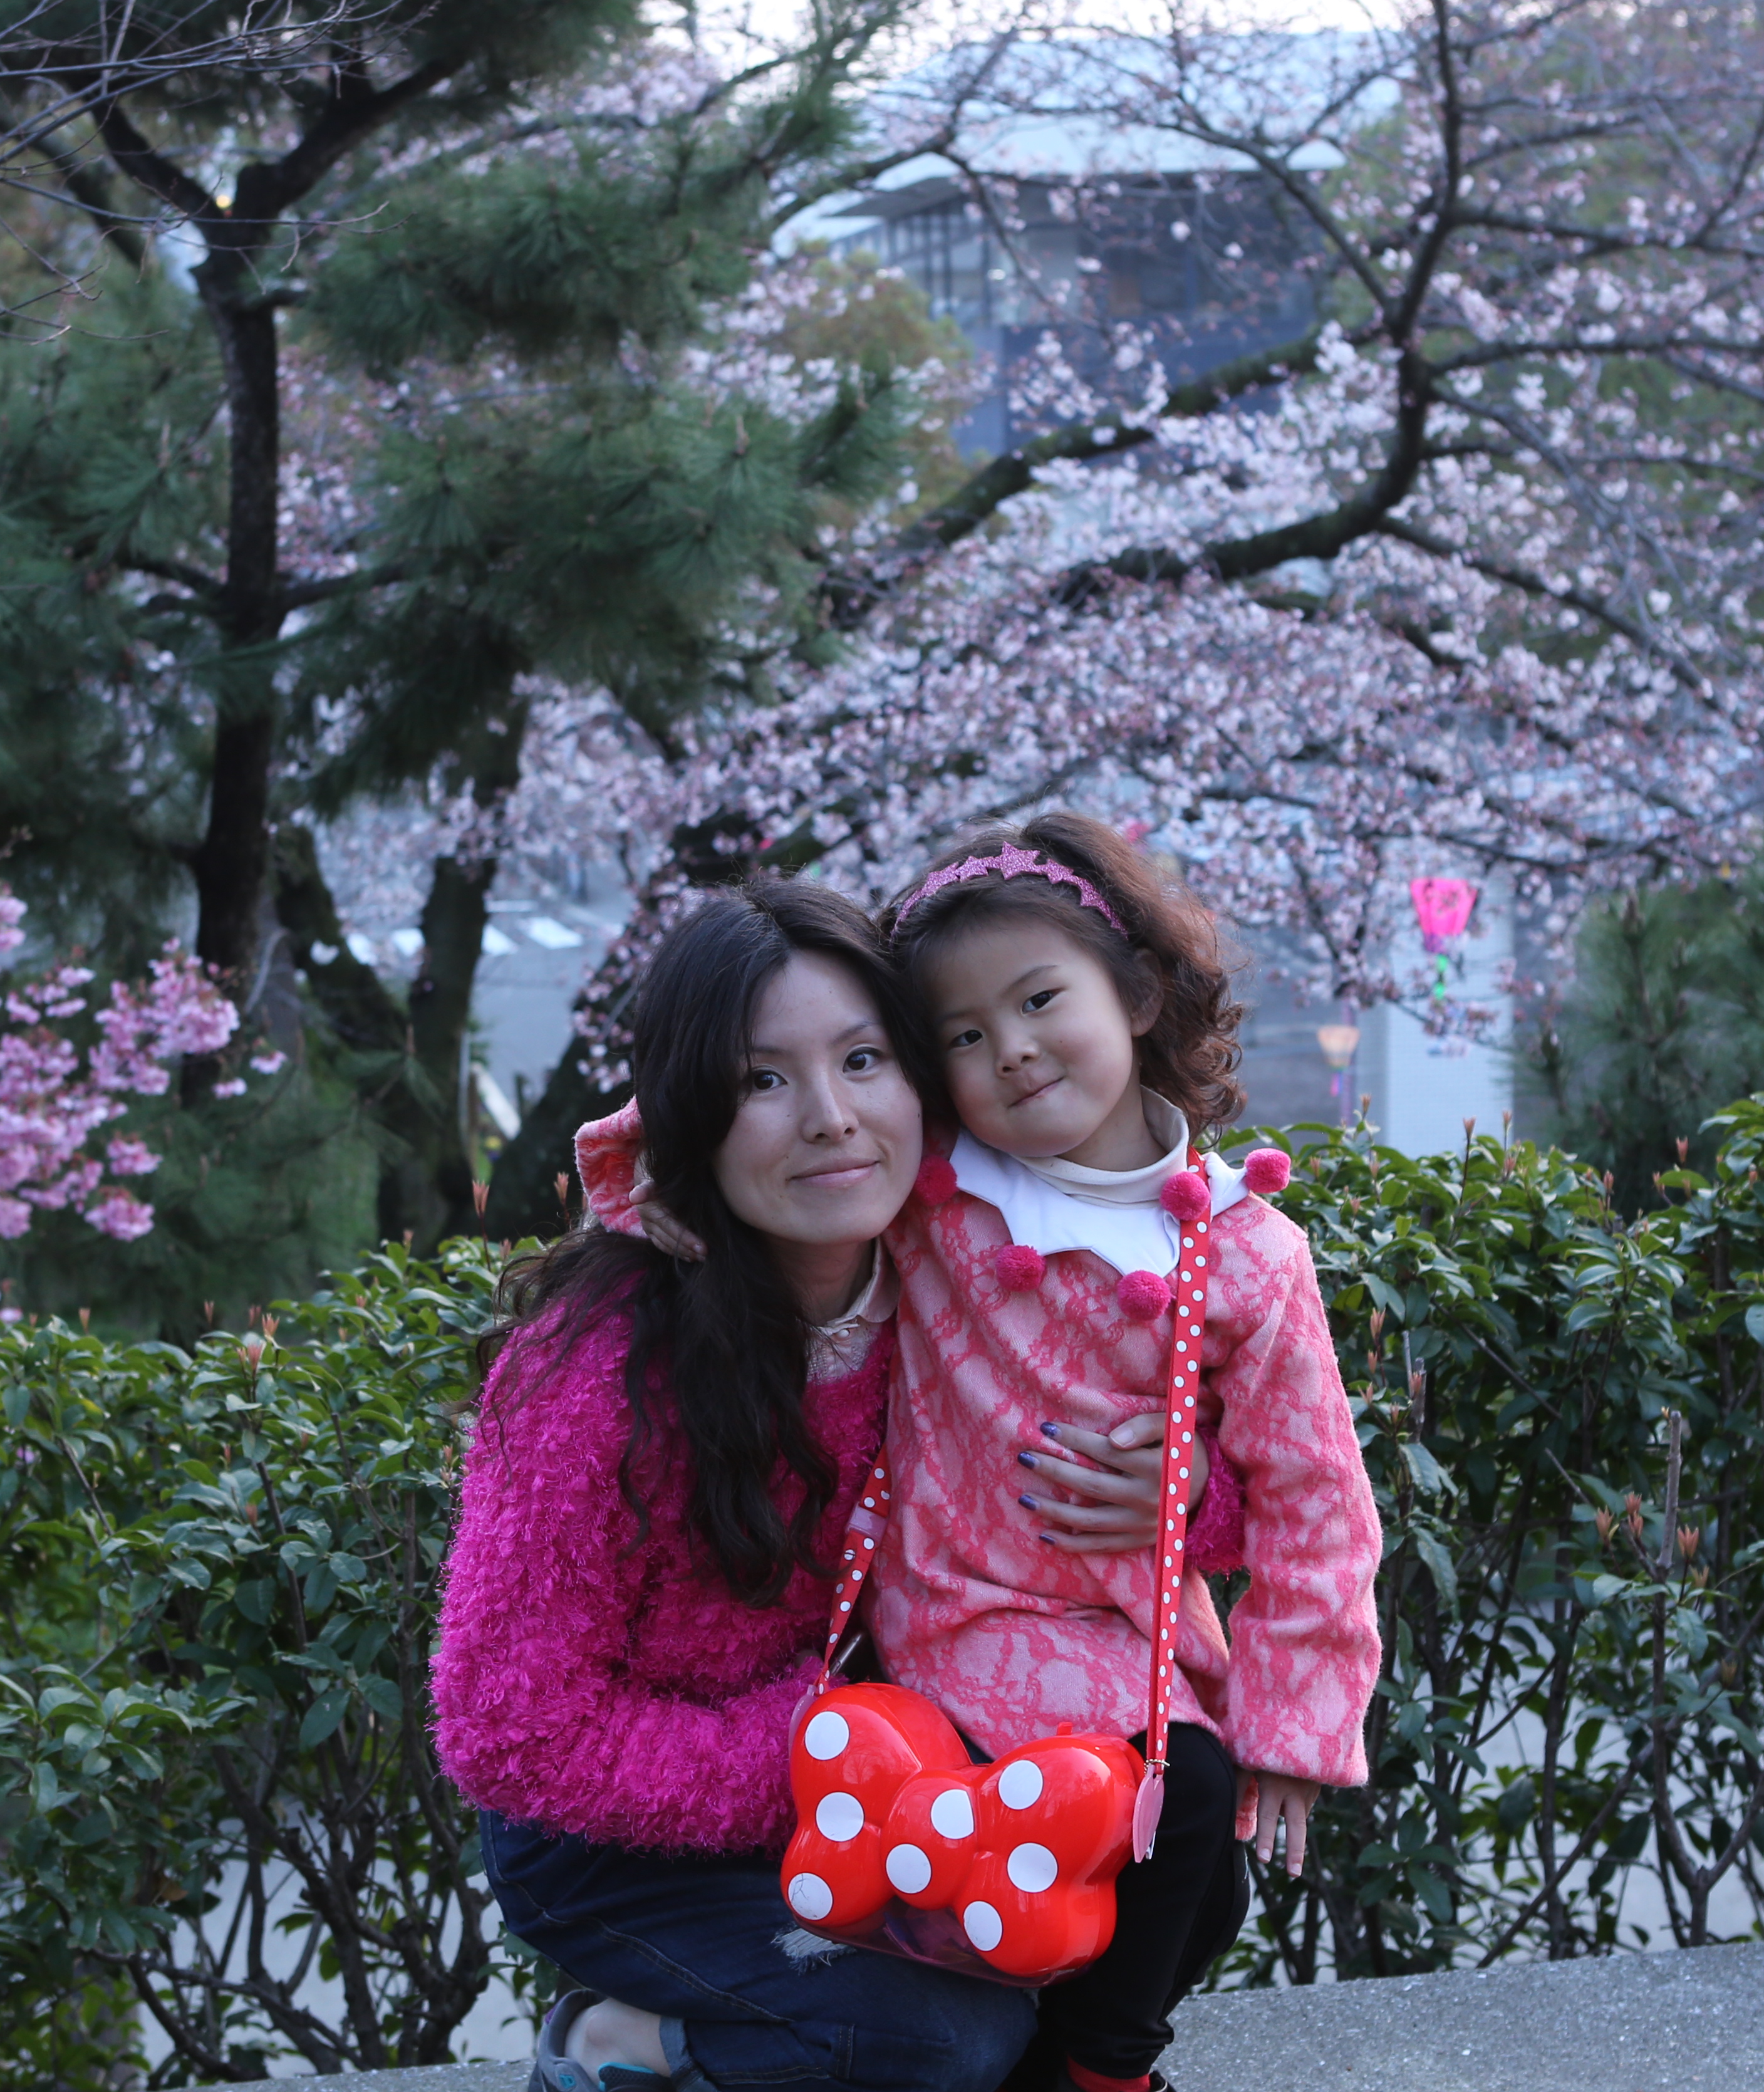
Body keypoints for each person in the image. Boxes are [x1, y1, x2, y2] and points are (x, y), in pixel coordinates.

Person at [581, 816, 1383, 2092]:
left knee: (1198, 1888)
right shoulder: (943, 1190)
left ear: (1134, 988)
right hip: (948, 1616)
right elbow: (772, 1106)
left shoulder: (1243, 1253)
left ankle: (1064, 2063)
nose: (1006, 1050)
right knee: (1169, 1821)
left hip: (1128, 1629)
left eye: (1039, 999)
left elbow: (1313, 1498)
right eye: (958, 1033)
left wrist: (1300, 1713)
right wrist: (662, 1149)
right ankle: (1104, 2076)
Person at [433, 876, 1211, 2092]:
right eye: (762, 1080)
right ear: (689, 1111)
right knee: (935, 2038)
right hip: (618, 1837)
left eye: (863, 1060)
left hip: (888, 1773)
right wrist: (837, 1756)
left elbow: (1144, 1486)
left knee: (1179, 1870)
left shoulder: (956, 1282)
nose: (832, 1118)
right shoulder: (595, 1371)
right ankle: (616, 2052)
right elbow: (511, 1733)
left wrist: (1181, 1488)